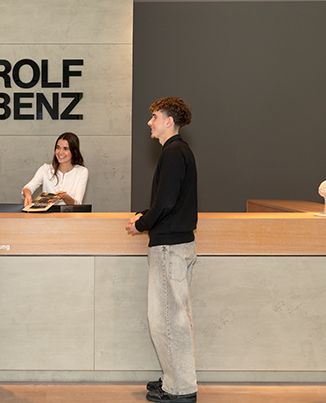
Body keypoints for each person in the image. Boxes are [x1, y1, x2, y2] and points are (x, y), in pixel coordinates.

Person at [125, 97, 198, 403]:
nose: (150, 122)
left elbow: (166, 202)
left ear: (169, 121)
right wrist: (145, 215)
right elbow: (169, 202)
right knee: (174, 318)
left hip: (169, 247)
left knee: (167, 319)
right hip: (176, 244)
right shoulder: (179, 151)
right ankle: (174, 378)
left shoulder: (173, 153)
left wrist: (141, 225)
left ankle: (180, 388)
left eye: (154, 117)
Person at [22, 132, 89, 207]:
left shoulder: (82, 171)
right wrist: (28, 195)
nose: (60, 152)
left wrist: (65, 196)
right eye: (58, 148)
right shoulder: (45, 169)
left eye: (65, 149)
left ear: (74, 151)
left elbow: (78, 203)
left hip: (69, 214)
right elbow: (28, 187)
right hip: (47, 214)